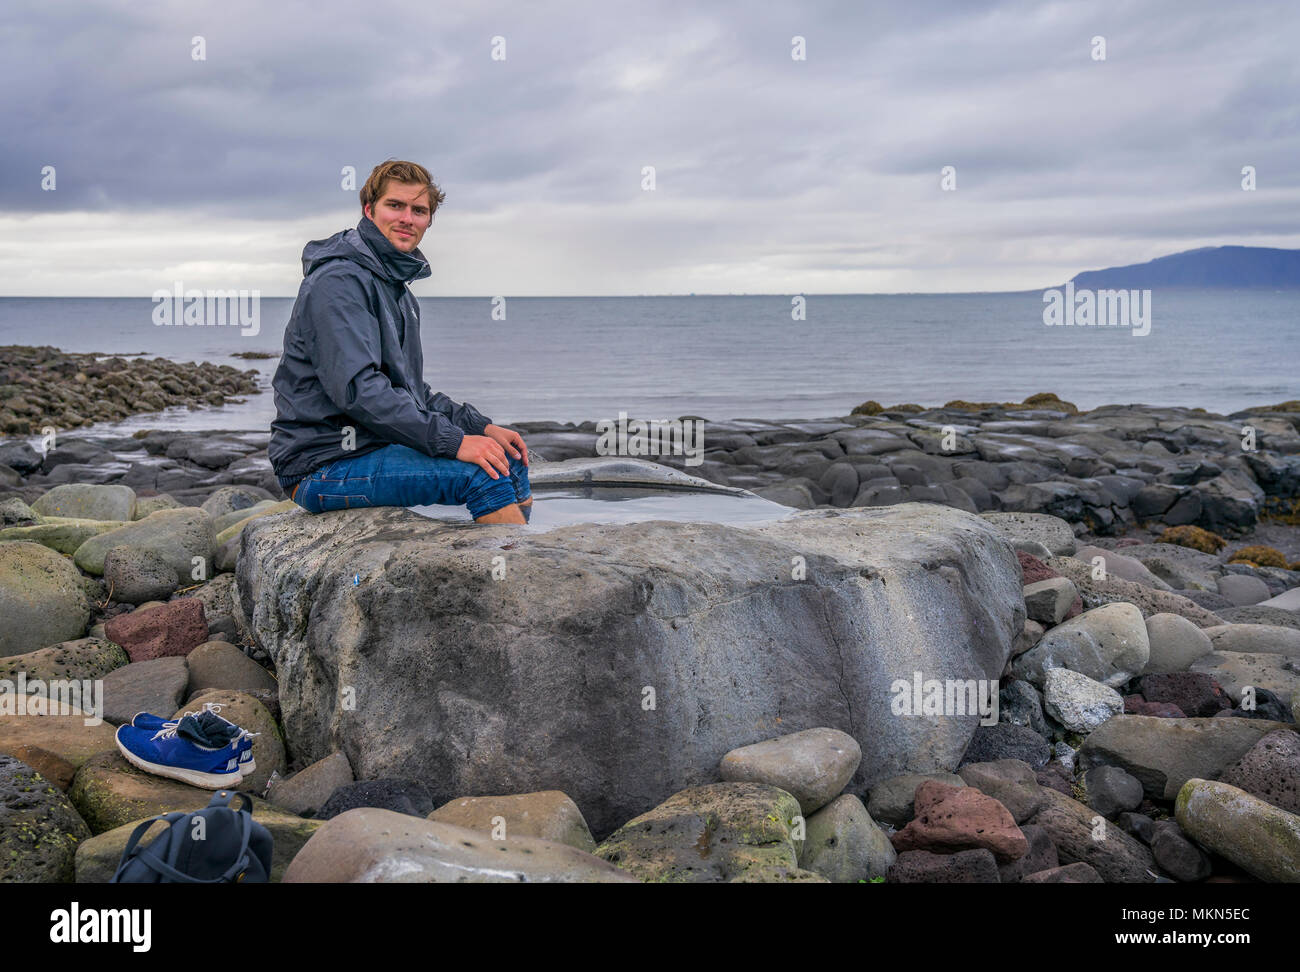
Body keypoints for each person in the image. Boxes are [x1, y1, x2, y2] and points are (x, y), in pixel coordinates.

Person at [268, 160, 532, 524]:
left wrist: (480, 427)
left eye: (419, 210)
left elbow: (411, 391)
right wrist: (455, 443)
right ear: (369, 209)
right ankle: (514, 578)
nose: (407, 218)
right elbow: (360, 390)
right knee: (482, 475)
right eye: (395, 205)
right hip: (322, 464)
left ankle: (528, 566)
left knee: (509, 459)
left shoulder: (398, 291)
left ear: (428, 221)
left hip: (372, 447)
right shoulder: (339, 282)